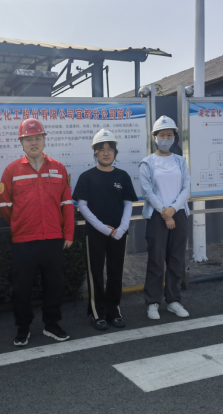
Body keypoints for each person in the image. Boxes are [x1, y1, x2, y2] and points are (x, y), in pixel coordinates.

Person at [0, 118, 74, 346]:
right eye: (28, 139)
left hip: (53, 238)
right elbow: (4, 205)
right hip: (24, 240)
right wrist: (20, 224)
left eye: (38, 138)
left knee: (55, 285)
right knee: (21, 288)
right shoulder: (12, 170)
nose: (33, 143)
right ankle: (23, 327)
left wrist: (68, 233)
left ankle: (52, 324)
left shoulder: (58, 168)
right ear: (21, 142)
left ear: (44, 139)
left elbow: (67, 203)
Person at [72, 129, 137, 331]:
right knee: (96, 273)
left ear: (115, 152)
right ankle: (97, 313)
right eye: (102, 149)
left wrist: (122, 228)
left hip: (119, 233)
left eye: (110, 149)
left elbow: (128, 204)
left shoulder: (123, 176)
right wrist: (101, 227)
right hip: (95, 234)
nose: (106, 153)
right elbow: (82, 206)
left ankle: (113, 311)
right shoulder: (87, 177)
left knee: (116, 273)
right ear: (95, 152)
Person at [139, 115, 191, 320]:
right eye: (162, 135)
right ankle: (152, 302)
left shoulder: (180, 161)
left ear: (175, 137)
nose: (166, 138)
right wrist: (165, 212)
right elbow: (147, 192)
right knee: (156, 259)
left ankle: (173, 300)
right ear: (155, 137)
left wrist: (173, 210)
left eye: (170, 135)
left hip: (178, 214)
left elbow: (186, 188)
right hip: (157, 215)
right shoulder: (147, 163)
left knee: (177, 259)